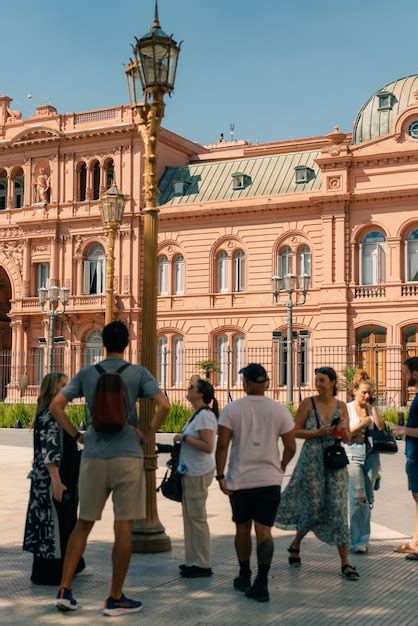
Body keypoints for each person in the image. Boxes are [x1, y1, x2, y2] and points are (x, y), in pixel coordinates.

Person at [50, 321, 170, 616]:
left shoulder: (88, 373)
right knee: (123, 526)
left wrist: (77, 435)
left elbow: (56, 405)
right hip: (127, 455)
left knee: (84, 523)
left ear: (103, 342)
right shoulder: (138, 373)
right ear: (127, 343)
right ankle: (115, 597)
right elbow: (164, 404)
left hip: (92, 455)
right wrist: (146, 432)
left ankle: (65, 589)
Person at [216, 363, 296, 603]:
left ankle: (244, 575)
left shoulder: (232, 409)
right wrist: (280, 465)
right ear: (266, 383)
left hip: (240, 479)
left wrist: (220, 475)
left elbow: (222, 446)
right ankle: (262, 582)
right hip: (269, 480)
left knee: (242, 528)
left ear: (246, 383)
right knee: (264, 531)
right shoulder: (280, 410)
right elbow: (291, 447)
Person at [275, 367, 359, 580]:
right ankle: (296, 544)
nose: (318, 383)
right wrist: (318, 433)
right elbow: (294, 430)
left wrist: (343, 431)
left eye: (322, 380)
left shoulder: (341, 407)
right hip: (311, 461)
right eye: (316, 380)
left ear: (332, 382)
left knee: (339, 508)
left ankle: (345, 562)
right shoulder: (308, 403)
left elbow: (348, 437)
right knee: (311, 507)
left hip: (335, 462)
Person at [23, 372, 85, 585]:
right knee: (53, 526)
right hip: (52, 481)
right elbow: (49, 453)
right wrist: (56, 482)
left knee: (61, 523)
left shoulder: (55, 414)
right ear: (52, 389)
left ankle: (71, 565)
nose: (67, 389)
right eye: (62, 385)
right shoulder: (50, 416)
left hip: (58, 478)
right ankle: (52, 573)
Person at [173, 378, 218, 578]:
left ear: (200, 394)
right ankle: (192, 560)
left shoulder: (205, 416)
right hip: (190, 471)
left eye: (191, 387)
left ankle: (202, 563)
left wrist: (185, 438)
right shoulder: (198, 415)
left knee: (197, 518)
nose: (187, 388)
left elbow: (208, 447)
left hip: (198, 472)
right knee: (190, 517)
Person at [346, 370, 385, 554]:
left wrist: (374, 410)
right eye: (364, 392)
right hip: (352, 456)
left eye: (370, 392)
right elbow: (345, 433)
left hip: (371, 457)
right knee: (357, 498)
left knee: (368, 499)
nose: (367, 395)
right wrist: (365, 421)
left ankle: (363, 538)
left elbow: (381, 428)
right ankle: (356, 541)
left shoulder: (371, 409)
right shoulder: (346, 408)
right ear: (354, 391)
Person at [394, 356, 418, 560]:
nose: (403, 376)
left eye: (405, 372)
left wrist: (403, 429)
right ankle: (415, 542)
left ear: (415, 374)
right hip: (413, 457)